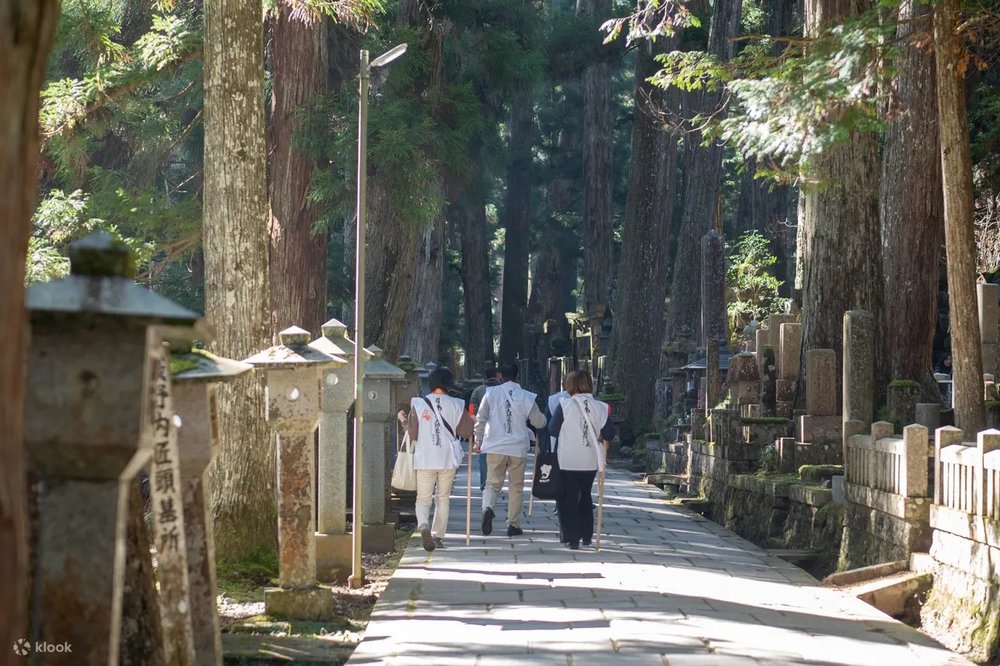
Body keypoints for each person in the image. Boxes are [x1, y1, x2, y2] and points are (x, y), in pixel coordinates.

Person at [403, 366, 474, 551]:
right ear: (449, 383)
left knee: (423, 499)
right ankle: (438, 536)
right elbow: (466, 431)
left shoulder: (418, 404)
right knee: (443, 498)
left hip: (425, 457)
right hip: (447, 459)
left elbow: (412, 433)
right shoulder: (458, 404)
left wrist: (403, 420)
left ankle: (423, 525)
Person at [475, 362, 547, 537]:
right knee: (515, 486)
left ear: (500, 376)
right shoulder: (526, 396)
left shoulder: (490, 393)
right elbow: (539, 422)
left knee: (492, 483)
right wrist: (545, 420)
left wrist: (478, 441)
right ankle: (513, 524)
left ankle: (488, 508)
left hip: (494, 444)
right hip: (517, 447)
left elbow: (481, 418)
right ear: (517, 376)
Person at [549, 370, 616, 550]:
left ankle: (572, 537)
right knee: (585, 495)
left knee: (567, 498)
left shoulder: (564, 405)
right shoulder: (600, 407)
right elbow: (609, 432)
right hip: (590, 460)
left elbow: (552, 429)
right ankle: (586, 534)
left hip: (567, 459)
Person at [469, 366, 502, 490]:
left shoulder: (478, 391)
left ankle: (484, 484)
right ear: (498, 375)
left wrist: (475, 423)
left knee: (483, 457)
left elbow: (471, 409)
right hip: (499, 427)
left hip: (482, 425)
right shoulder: (502, 390)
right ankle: (495, 484)